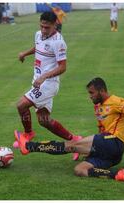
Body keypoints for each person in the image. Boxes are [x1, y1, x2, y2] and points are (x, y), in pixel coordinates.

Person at [14, 77, 124, 182]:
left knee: (71, 145)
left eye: (92, 93)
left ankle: (29, 146)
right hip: (113, 155)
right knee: (80, 170)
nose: (90, 96)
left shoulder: (116, 101)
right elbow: (101, 132)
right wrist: (92, 150)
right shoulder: (99, 107)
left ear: (102, 90)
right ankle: (117, 175)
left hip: (114, 141)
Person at [13, 12, 82, 161]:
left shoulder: (59, 42)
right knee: (44, 121)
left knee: (21, 105)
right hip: (38, 81)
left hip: (48, 84)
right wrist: (25, 53)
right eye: (42, 26)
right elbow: (38, 47)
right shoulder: (38, 34)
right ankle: (75, 139)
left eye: (47, 27)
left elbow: (63, 67)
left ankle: (28, 134)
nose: (44, 30)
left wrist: (44, 76)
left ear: (55, 24)